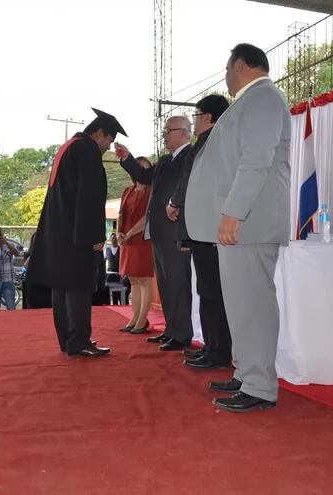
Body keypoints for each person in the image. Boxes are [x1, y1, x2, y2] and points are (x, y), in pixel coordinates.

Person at [184, 44, 291, 412]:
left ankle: (260, 385)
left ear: (241, 65)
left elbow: (256, 160)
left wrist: (233, 212)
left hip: (250, 222)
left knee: (254, 304)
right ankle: (248, 373)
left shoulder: (263, 98)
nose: (226, 75)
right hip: (239, 223)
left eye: (228, 67)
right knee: (241, 305)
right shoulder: (250, 101)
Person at [26, 108, 127, 357]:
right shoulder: (88, 150)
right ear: (100, 133)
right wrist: (95, 236)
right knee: (79, 289)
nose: (107, 148)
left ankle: (68, 341)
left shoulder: (69, 146)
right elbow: (89, 196)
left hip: (60, 232)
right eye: (109, 141)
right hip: (78, 234)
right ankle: (80, 340)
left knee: (61, 288)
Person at [114, 115, 194, 351]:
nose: (165, 135)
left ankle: (181, 334)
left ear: (184, 133)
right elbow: (144, 176)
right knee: (166, 283)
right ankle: (171, 330)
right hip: (159, 231)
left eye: (169, 131)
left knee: (178, 283)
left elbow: (186, 188)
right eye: (165, 131)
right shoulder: (165, 160)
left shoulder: (191, 156)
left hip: (176, 228)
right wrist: (127, 158)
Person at [167, 94, 232, 369]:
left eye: (196, 116)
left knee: (214, 291)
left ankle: (219, 351)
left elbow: (193, 180)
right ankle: (212, 346)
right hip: (202, 229)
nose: (193, 122)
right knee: (207, 290)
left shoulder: (218, 142)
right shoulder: (207, 143)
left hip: (211, 229)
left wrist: (175, 201)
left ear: (207, 117)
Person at [116, 156, 154, 334]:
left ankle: (142, 319)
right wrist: (118, 233)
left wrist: (130, 233)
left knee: (144, 280)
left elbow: (147, 216)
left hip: (142, 240)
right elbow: (121, 214)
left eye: (144, 167)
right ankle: (134, 317)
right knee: (133, 279)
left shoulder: (152, 191)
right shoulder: (128, 190)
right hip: (127, 241)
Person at [23, 232, 52, 309]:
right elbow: (25, 267)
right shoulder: (28, 255)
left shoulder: (51, 254)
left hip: (47, 287)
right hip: (34, 288)